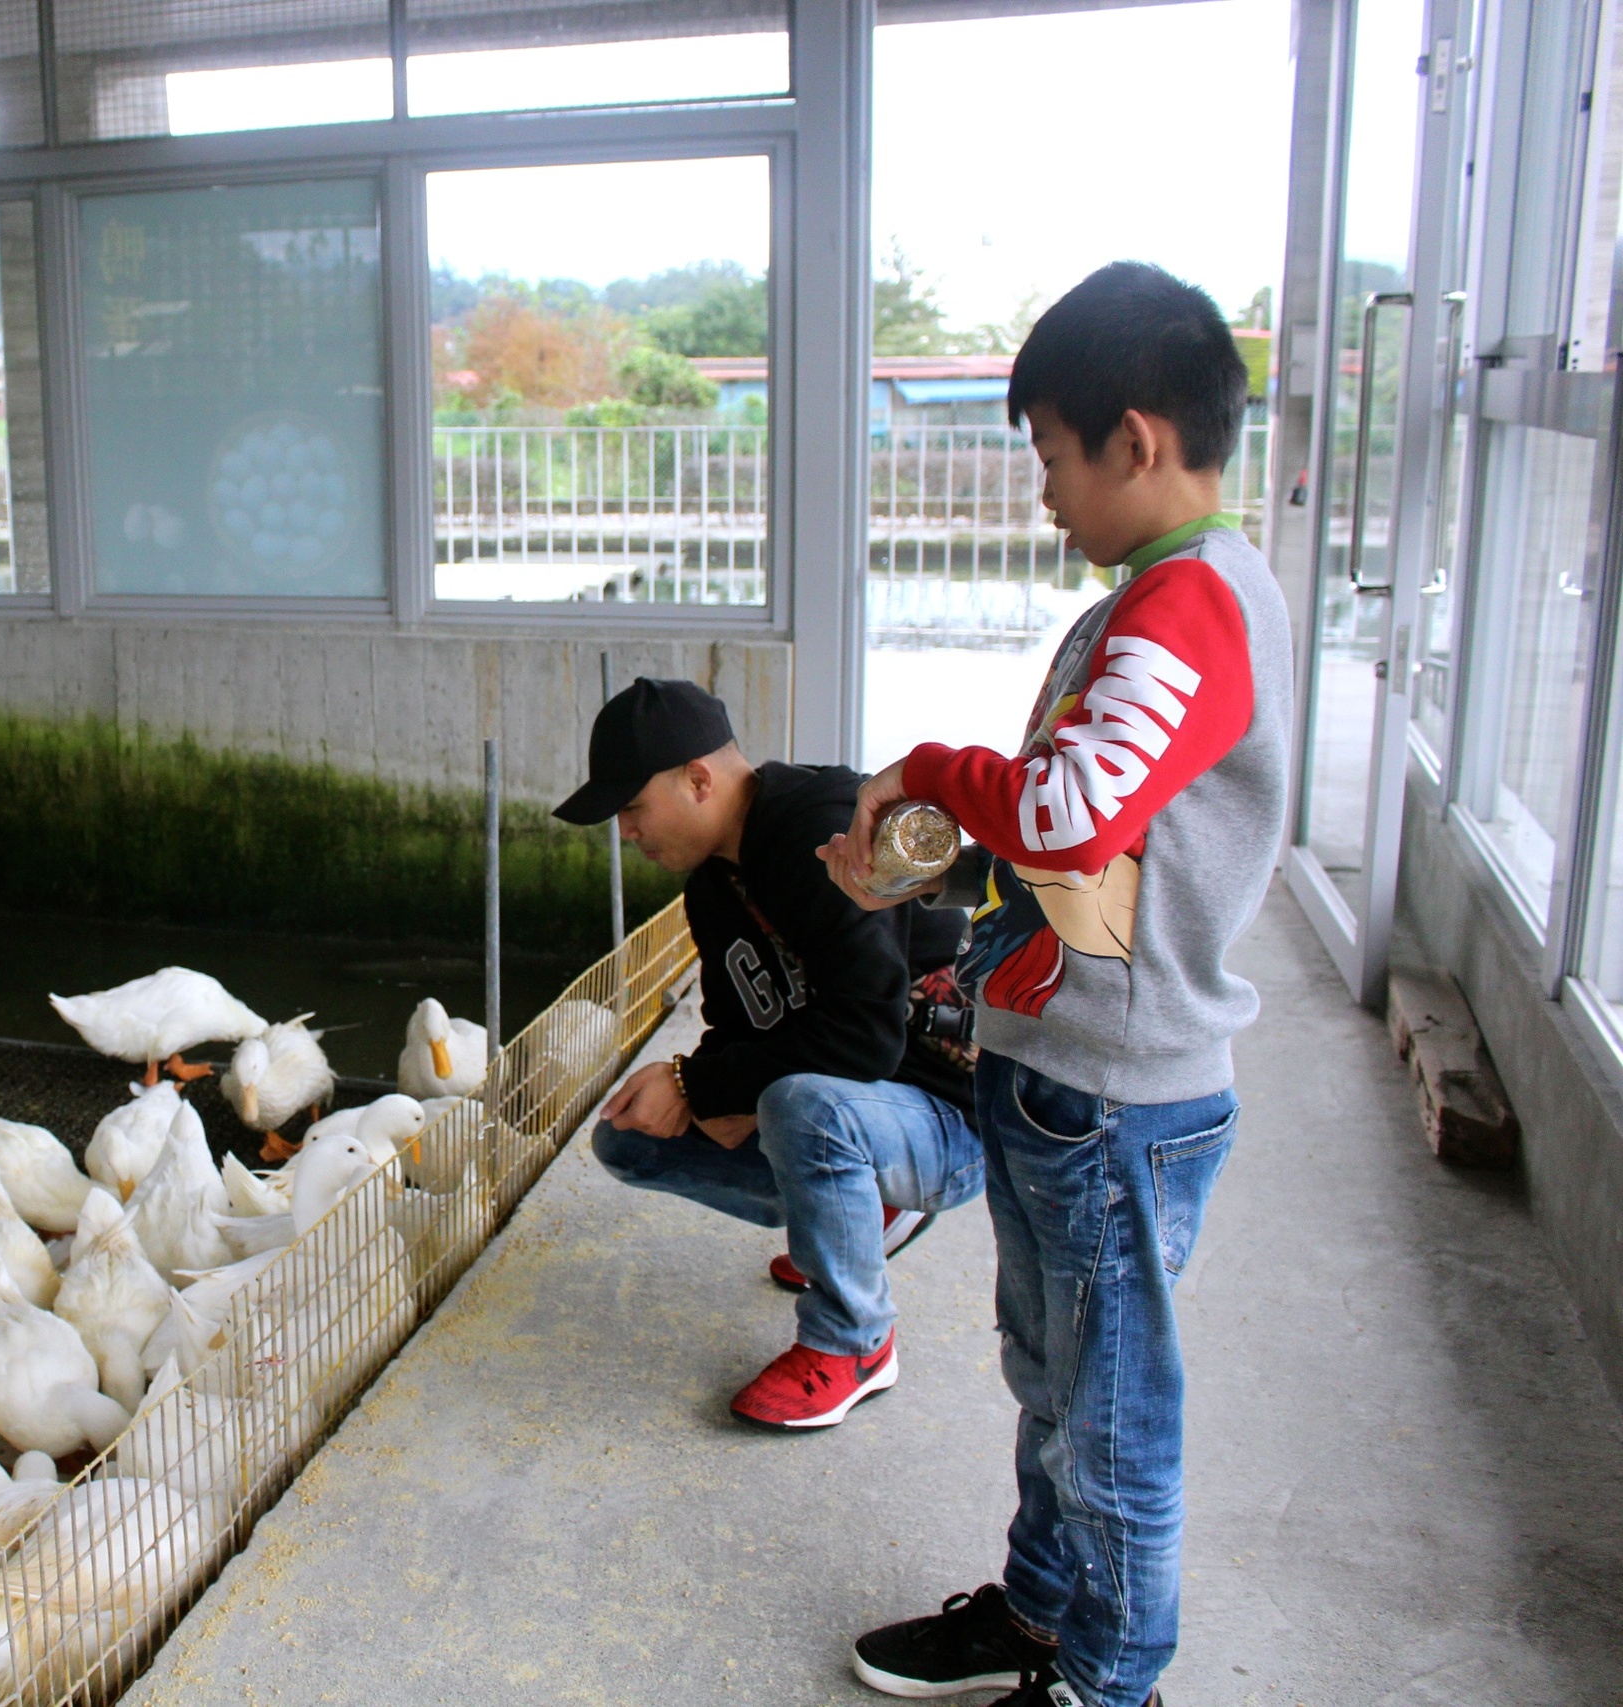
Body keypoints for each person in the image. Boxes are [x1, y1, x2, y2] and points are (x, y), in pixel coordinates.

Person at [827, 263, 1292, 1707]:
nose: (1043, 495)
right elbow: (1088, 839)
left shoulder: (1195, 605)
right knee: (1056, 1383)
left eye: (1049, 457)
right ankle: (1041, 1608)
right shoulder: (1157, 596)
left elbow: (1075, 811)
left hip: (1120, 1098)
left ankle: (1109, 1678)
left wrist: (932, 768)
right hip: (1063, 1067)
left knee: (1114, 1415)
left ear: (1135, 441)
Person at [553, 676, 983, 1430]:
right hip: (862, 1102)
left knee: (795, 1103)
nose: (625, 830)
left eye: (631, 806)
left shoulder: (818, 829)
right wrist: (702, 1087)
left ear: (697, 779)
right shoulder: (713, 887)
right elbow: (740, 1032)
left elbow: (867, 1035)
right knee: (629, 1139)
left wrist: (701, 1080)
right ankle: (855, 1217)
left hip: (948, 1116)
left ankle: (855, 1340)